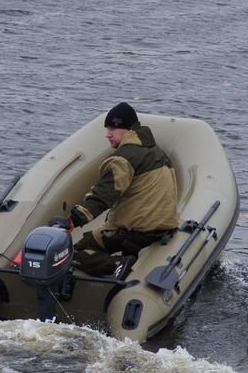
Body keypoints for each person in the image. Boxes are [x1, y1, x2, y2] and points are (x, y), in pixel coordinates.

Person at [54, 102, 179, 279]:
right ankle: (130, 257)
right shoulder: (155, 151)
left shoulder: (124, 158)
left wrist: (73, 220)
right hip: (162, 228)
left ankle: (117, 266)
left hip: (136, 232)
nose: (108, 134)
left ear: (127, 129)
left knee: (71, 252)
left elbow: (104, 194)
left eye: (113, 128)